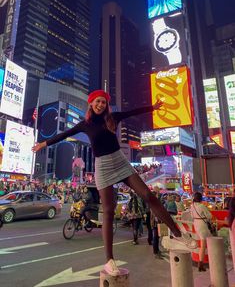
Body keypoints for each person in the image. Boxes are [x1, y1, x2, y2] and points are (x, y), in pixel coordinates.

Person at [32, 89, 197, 276]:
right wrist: (43, 144)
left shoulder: (113, 118)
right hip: (102, 167)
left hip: (120, 161)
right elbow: (63, 134)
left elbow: (135, 111)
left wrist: (154, 107)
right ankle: (109, 260)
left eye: (103, 102)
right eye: (97, 101)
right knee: (109, 211)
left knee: (148, 195)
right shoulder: (84, 124)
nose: (100, 105)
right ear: (91, 103)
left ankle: (178, 234)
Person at [190, 191, 212, 272]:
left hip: (196, 224)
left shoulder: (192, 206)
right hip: (202, 225)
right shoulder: (202, 206)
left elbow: (192, 216)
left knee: (204, 244)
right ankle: (201, 264)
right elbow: (209, 216)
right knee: (203, 246)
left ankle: (202, 263)